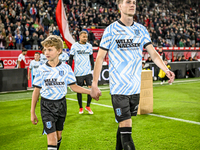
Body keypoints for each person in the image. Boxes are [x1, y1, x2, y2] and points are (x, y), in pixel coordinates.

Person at [90, 0, 175, 150]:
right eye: (128, 2)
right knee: (127, 135)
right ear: (119, 6)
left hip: (135, 89)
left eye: (134, 2)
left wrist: (165, 69)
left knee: (123, 129)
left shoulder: (141, 30)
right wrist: (94, 84)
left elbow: (153, 54)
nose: (132, 4)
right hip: (119, 90)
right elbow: (100, 57)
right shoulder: (111, 30)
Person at [31, 35, 94, 150]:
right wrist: (32, 112)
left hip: (61, 105)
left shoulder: (66, 69)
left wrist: (90, 92)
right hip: (47, 106)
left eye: (50, 49)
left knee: (58, 136)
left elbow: (74, 87)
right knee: (52, 139)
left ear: (59, 51)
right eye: (45, 49)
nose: (46, 52)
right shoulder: (41, 70)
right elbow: (36, 92)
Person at [69, 31, 94, 114]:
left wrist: (92, 68)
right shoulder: (75, 46)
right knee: (79, 89)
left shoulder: (89, 46)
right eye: (83, 37)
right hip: (78, 72)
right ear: (79, 37)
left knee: (91, 88)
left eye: (86, 37)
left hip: (87, 71)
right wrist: (69, 69)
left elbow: (91, 58)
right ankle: (80, 107)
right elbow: (71, 58)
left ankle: (88, 106)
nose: (85, 38)